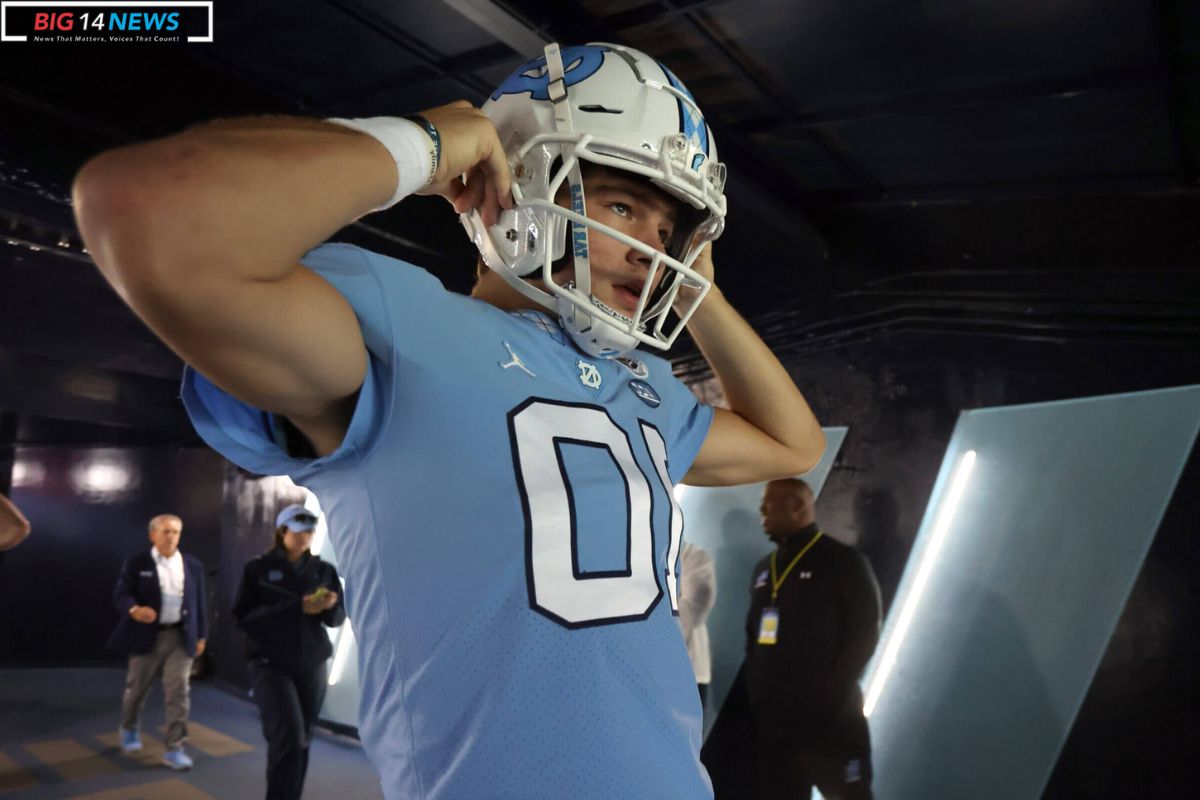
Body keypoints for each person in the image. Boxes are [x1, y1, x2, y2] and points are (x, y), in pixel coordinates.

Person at [73, 41, 825, 799]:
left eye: (669, 231)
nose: (650, 252)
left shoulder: (644, 388)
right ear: (525, 184)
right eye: (625, 206)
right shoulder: (411, 326)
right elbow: (145, 213)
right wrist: (421, 145)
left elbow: (792, 442)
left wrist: (703, 289)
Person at [743, 479, 882, 800]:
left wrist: (828, 694)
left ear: (798, 506)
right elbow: (753, 636)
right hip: (776, 726)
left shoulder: (843, 562)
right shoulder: (765, 568)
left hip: (831, 722)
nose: (761, 510)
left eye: (770, 502)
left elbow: (864, 634)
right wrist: (758, 692)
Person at [233, 504, 345, 800]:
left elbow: (336, 620)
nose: (305, 535)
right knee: (289, 739)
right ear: (282, 531)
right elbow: (242, 617)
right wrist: (297, 608)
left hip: (311, 663)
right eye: (299, 530)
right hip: (270, 663)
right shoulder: (257, 570)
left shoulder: (323, 571)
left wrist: (331, 607)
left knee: (302, 741)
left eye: (310, 530)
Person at [106, 513, 208, 771]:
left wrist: (202, 635)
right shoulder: (137, 563)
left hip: (180, 637)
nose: (171, 536)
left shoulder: (192, 565)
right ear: (153, 534)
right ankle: (129, 728)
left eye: (175, 532)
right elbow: (121, 594)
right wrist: (134, 610)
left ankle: (175, 748)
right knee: (137, 689)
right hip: (147, 636)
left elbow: (200, 604)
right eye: (165, 531)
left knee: (178, 693)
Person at [679, 541, 717, 708]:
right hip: (638, 676)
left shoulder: (691, 555)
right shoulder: (627, 555)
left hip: (686, 675)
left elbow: (693, 610)